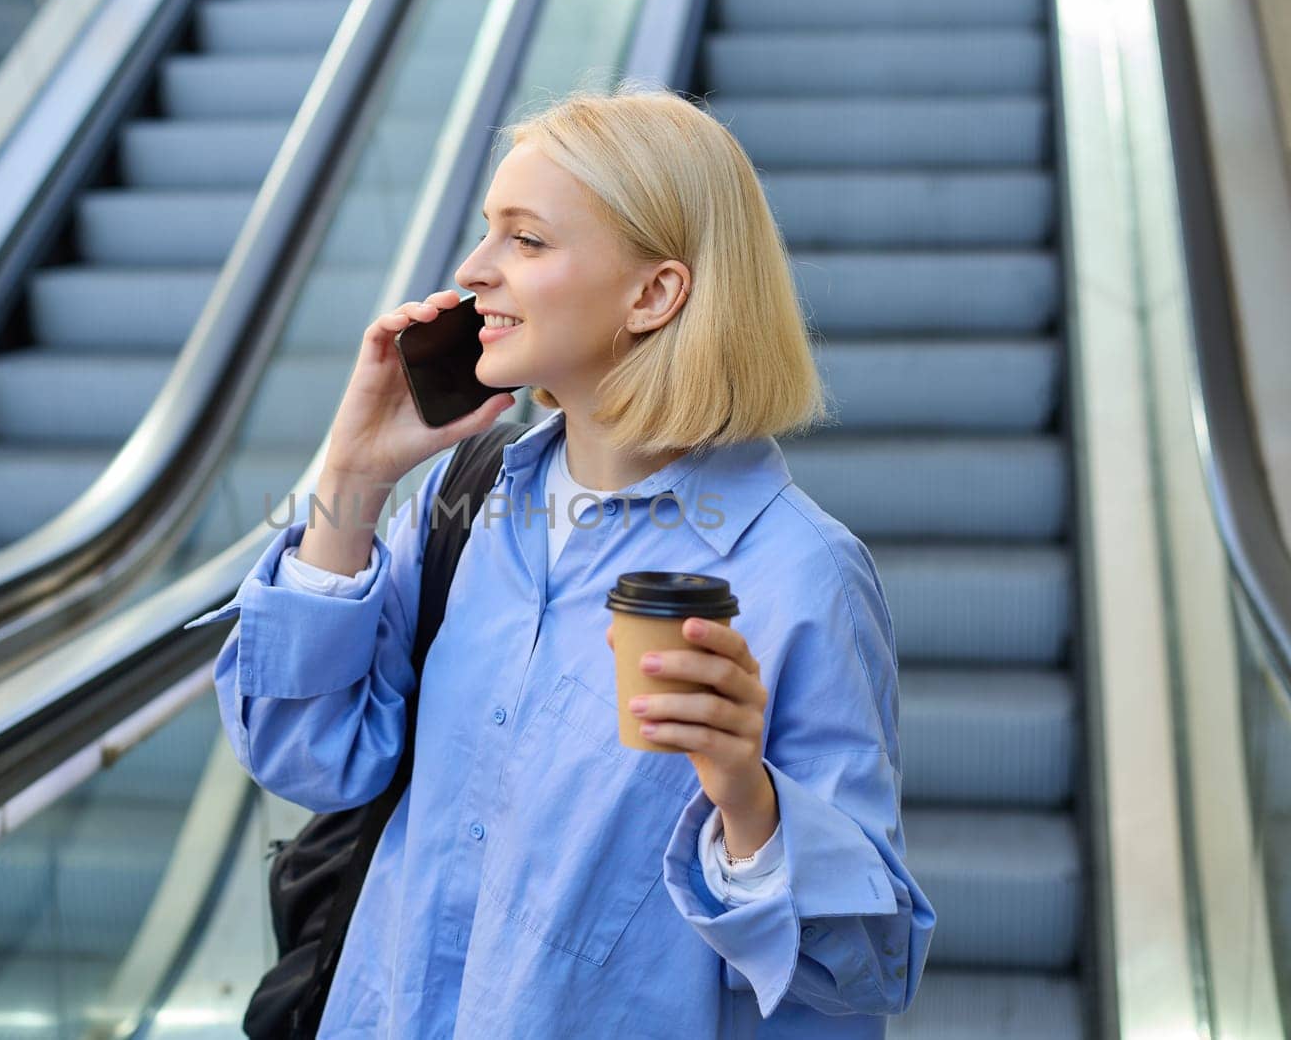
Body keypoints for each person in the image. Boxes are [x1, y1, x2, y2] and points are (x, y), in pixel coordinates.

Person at [187, 82, 934, 1037]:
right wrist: (354, 476)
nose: (471, 269)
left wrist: (748, 798)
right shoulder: (468, 503)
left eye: (525, 240)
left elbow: (866, 968)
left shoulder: (799, 579)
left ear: (655, 293)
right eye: (488, 232)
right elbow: (310, 752)